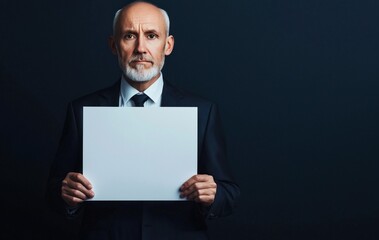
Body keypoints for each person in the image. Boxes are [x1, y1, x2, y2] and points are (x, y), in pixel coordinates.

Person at [46, 1, 240, 239]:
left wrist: (214, 193)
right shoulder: (81, 110)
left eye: (151, 36)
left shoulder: (203, 111)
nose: (141, 48)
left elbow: (229, 194)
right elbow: (54, 191)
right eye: (129, 36)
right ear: (114, 45)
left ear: (167, 45)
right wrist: (66, 194)